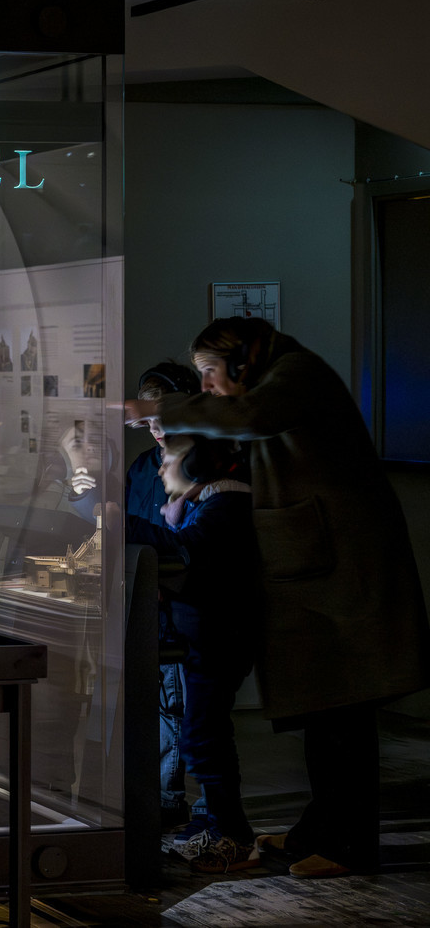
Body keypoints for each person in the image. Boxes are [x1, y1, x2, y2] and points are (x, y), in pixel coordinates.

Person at [125, 316, 430, 877]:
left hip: (343, 581)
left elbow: (252, 418)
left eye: (211, 373)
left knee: (342, 720)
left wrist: (154, 409)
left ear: (242, 359)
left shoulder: (296, 374)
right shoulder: (281, 381)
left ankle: (347, 847)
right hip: (317, 580)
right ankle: (319, 830)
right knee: (325, 718)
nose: (209, 388)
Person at [126, 433, 258, 872]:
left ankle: (233, 835)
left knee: (203, 737)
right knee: (202, 735)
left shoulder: (224, 508)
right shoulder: (207, 505)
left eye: (170, 459)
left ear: (198, 464)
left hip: (219, 643)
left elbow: (189, 552)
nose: (160, 467)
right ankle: (222, 826)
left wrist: (121, 522)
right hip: (206, 643)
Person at [126, 362, 208, 833]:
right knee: (157, 704)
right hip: (146, 607)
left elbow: (181, 545)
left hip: (180, 608)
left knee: (179, 708)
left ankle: (176, 799)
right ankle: (159, 794)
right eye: (149, 419)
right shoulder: (143, 467)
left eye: (163, 415)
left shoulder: (201, 466)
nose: (155, 429)